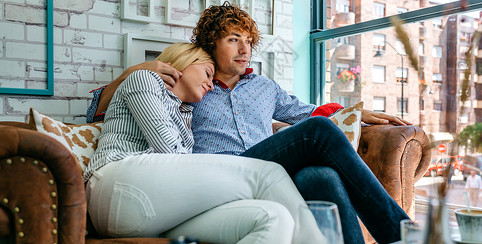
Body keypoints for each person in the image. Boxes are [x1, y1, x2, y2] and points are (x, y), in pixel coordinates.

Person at [87, 3, 411, 244]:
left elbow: (307, 111)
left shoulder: (265, 88)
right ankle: (402, 234)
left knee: (320, 175)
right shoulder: (191, 87)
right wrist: (137, 71)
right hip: (210, 179)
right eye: (233, 40)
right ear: (210, 46)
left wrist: (353, 112)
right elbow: (103, 110)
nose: (245, 49)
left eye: (248, 41)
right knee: (320, 133)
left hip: (262, 170)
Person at [84, 42, 326, 244]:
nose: (211, 85)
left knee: (273, 217)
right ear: (183, 62)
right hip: (115, 184)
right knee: (267, 174)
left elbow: (178, 173)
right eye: (208, 74)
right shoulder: (144, 79)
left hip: (160, 211)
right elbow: (170, 153)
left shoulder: (185, 114)